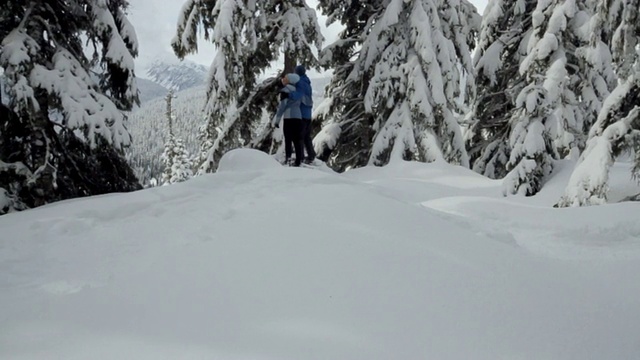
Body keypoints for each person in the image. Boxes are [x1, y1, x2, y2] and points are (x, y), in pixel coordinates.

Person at [272, 73, 304, 166]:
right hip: (298, 117)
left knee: (288, 139)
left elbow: (282, 107)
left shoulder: (285, 91)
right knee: (297, 139)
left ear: (289, 81)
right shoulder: (298, 92)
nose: (283, 79)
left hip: (288, 117)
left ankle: (288, 158)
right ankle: (298, 160)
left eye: (285, 78)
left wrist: (277, 120)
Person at [294, 65, 316, 164]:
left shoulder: (300, 83)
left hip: (301, 114)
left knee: (299, 137)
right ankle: (311, 155)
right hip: (308, 114)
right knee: (306, 136)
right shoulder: (307, 83)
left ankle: (300, 157)